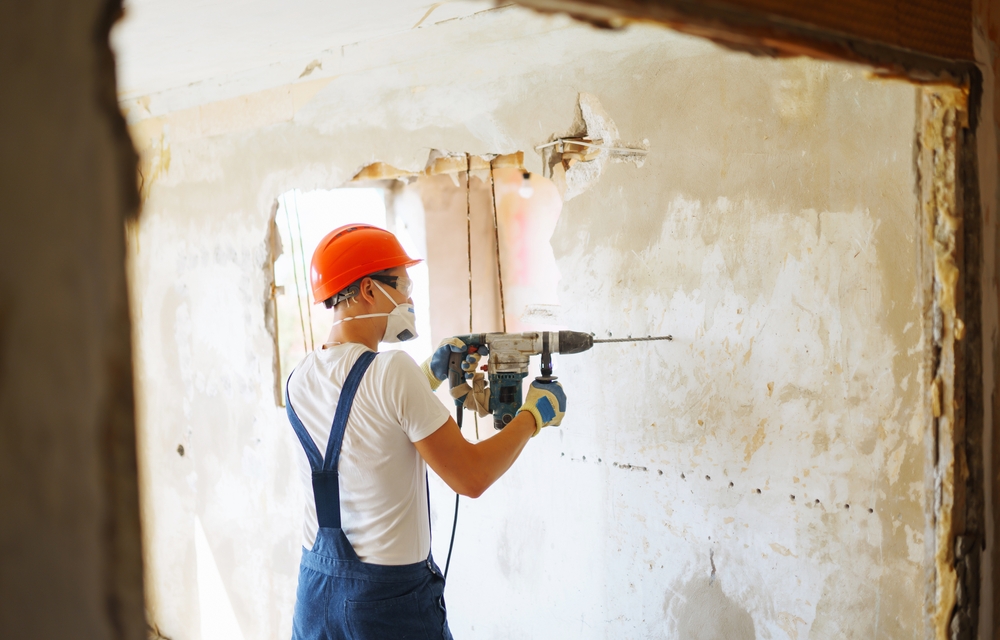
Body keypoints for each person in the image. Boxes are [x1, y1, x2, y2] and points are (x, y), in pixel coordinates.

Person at [284, 223, 567, 639]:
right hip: (386, 606)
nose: (409, 300)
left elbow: (365, 418)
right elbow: (471, 477)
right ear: (367, 290)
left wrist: (429, 376)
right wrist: (533, 414)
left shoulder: (299, 377)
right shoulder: (393, 370)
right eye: (402, 286)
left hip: (315, 594)